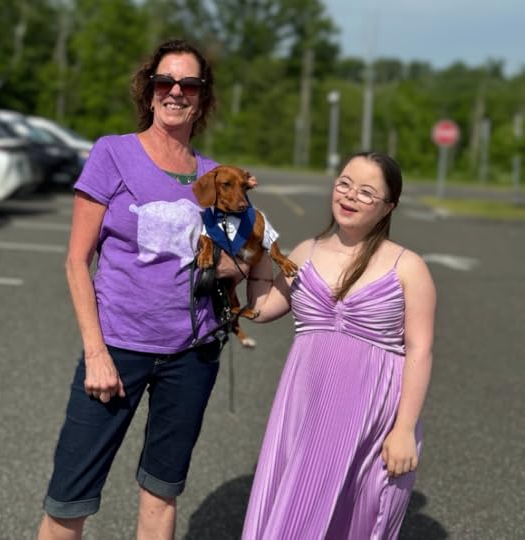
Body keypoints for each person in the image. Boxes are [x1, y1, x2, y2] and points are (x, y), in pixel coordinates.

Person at [37, 39, 251, 540]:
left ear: (203, 97)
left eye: (188, 84)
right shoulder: (113, 153)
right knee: (70, 496)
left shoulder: (213, 176)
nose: (175, 91)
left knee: (162, 492)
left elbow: (239, 255)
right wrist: (96, 352)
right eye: (165, 81)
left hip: (192, 355)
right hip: (117, 349)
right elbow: (75, 261)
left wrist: (235, 268)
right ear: (150, 89)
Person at [241, 152, 437, 539]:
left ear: (387, 207)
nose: (349, 196)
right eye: (345, 183)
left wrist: (404, 429)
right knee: (294, 516)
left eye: (367, 192)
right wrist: (257, 242)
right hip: (307, 410)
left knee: (360, 519)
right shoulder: (305, 252)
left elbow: (420, 351)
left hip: (374, 419)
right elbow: (262, 307)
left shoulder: (408, 266)